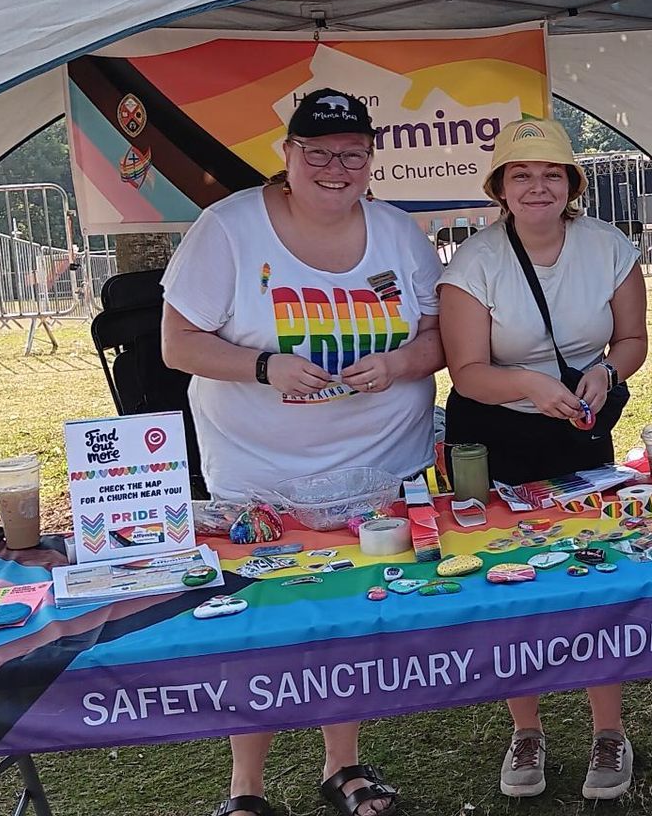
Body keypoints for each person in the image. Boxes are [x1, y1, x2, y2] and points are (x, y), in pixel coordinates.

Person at [159, 89, 445, 816]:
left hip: (378, 469)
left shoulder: (398, 233)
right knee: (258, 621)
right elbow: (177, 344)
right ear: (287, 156)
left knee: (348, 613)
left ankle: (343, 767)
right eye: (316, 152)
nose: (334, 167)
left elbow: (442, 338)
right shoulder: (229, 228)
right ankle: (245, 790)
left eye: (352, 153)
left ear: (370, 160)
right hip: (259, 473)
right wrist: (264, 367)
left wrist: (399, 364)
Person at [438, 117, 647, 801]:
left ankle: (608, 731)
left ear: (571, 184)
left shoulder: (608, 245)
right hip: (496, 434)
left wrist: (607, 373)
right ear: (500, 188)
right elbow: (467, 372)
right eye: (521, 175)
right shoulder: (474, 263)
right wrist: (530, 385)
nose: (537, 187)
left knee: (595, 575)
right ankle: (526, 730)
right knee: (513, 583)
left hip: (577, 432)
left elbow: (633, 339)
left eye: (551, 174)